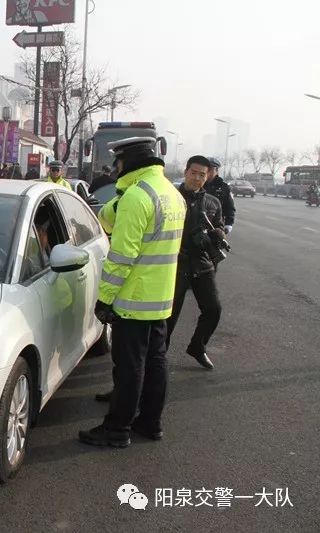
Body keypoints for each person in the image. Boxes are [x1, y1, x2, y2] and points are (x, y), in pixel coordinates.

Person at [78, 137, 186, 447]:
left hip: (134, 300)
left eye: (118, 162)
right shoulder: (170, 193)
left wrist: (105, 300)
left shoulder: (137, 198)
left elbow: (121, 257)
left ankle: (116, 429)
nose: (114, 169)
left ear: (130, 162)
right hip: (161, 297)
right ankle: (150, 424)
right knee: (155, 363)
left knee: (129, 369)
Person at [166, 155, 227, 369]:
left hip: (202, 265)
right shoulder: (171, 198)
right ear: (185, 172)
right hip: (175, 265)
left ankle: (197, 347)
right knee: (168, 318)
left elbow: (219, 226)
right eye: (194, 173)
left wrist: (216, 234)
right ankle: (156, 359)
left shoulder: (213, 202)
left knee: (213, 310)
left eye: (202, 175)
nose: (197, 178)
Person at [205, 157, 236, 234]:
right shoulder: (198, 183)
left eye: (210, 169)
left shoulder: (223, 187)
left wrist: (229, 224)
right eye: (206, 169)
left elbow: (229, 207)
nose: (207, 171)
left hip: (215, 225)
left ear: (216, 171)